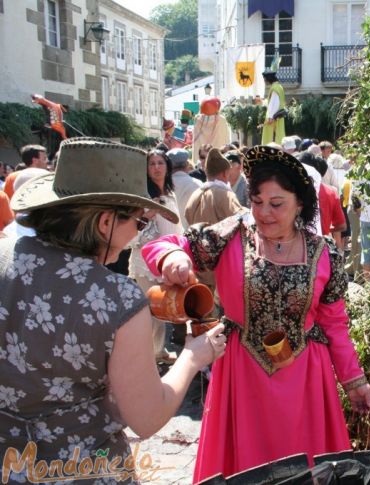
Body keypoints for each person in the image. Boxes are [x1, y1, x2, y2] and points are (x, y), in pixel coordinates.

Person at [141, 145, 370, 481]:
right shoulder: (230, 234)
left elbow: (335, 325)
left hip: (306, 379)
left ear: (299, 204)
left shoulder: (324, 254)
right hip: (242, 376)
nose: (264, 212)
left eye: (276, 204)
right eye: (257, 201)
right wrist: (171, 259)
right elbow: (164, 245)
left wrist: (355, 382)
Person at [1, 137, 225, 482]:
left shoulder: (4, 252)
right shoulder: (114, 298)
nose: (137, 235)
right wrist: (194, 356)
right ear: (105, 223)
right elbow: (147, 417)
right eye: (137, 223)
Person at [128, 149, 184, 364]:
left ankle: (157, 351)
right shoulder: (142, 196)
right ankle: (146, 358)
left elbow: (177, 226)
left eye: (160, 162)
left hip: (168, 259)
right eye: (152, 163)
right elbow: (131, 236)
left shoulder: (170, 193)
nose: (157, 167)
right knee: (149, 312)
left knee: (160, 311)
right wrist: (146, 215)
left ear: (168, 166)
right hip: (145, 262)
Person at [168, 148, 202, 229]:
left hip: (168, 236)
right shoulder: (198, 184)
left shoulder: (163, 185)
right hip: (192, 235)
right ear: (187, 164)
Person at [261, 68, 286, 145]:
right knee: (279, 136)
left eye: (265, 79)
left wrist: (270, 117)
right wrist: (262, 101)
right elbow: (271, 102)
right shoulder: (279, 86)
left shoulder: (275, 88)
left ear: (269, 79)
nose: (265, 81)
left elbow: (274, 104)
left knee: (271, 140)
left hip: (273, 119)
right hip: (278, 117)